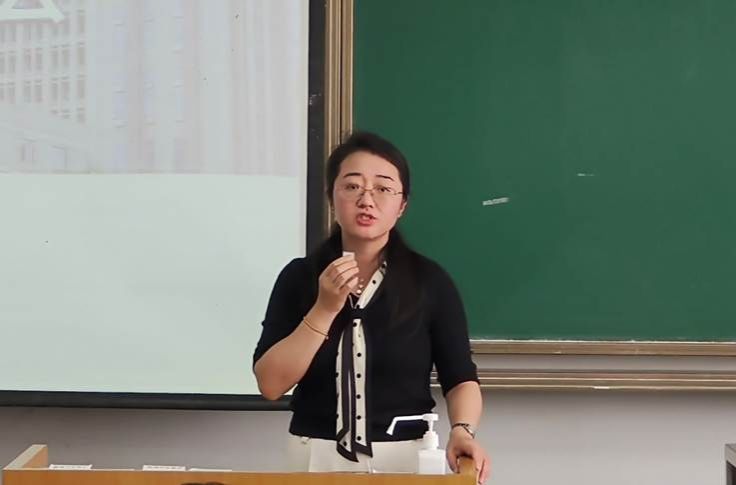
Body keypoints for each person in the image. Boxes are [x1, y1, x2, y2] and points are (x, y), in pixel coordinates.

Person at [253, 132, 489, 482]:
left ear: (402, 205)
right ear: (332, 197)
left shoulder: (429, 282)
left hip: (406, 457)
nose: (366, 200)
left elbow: (460, 378)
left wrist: (463, 430)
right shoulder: (300, 277)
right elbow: (271, 384)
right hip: (314, 455)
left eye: (383, 188)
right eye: (352, 187)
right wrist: (324, 308)